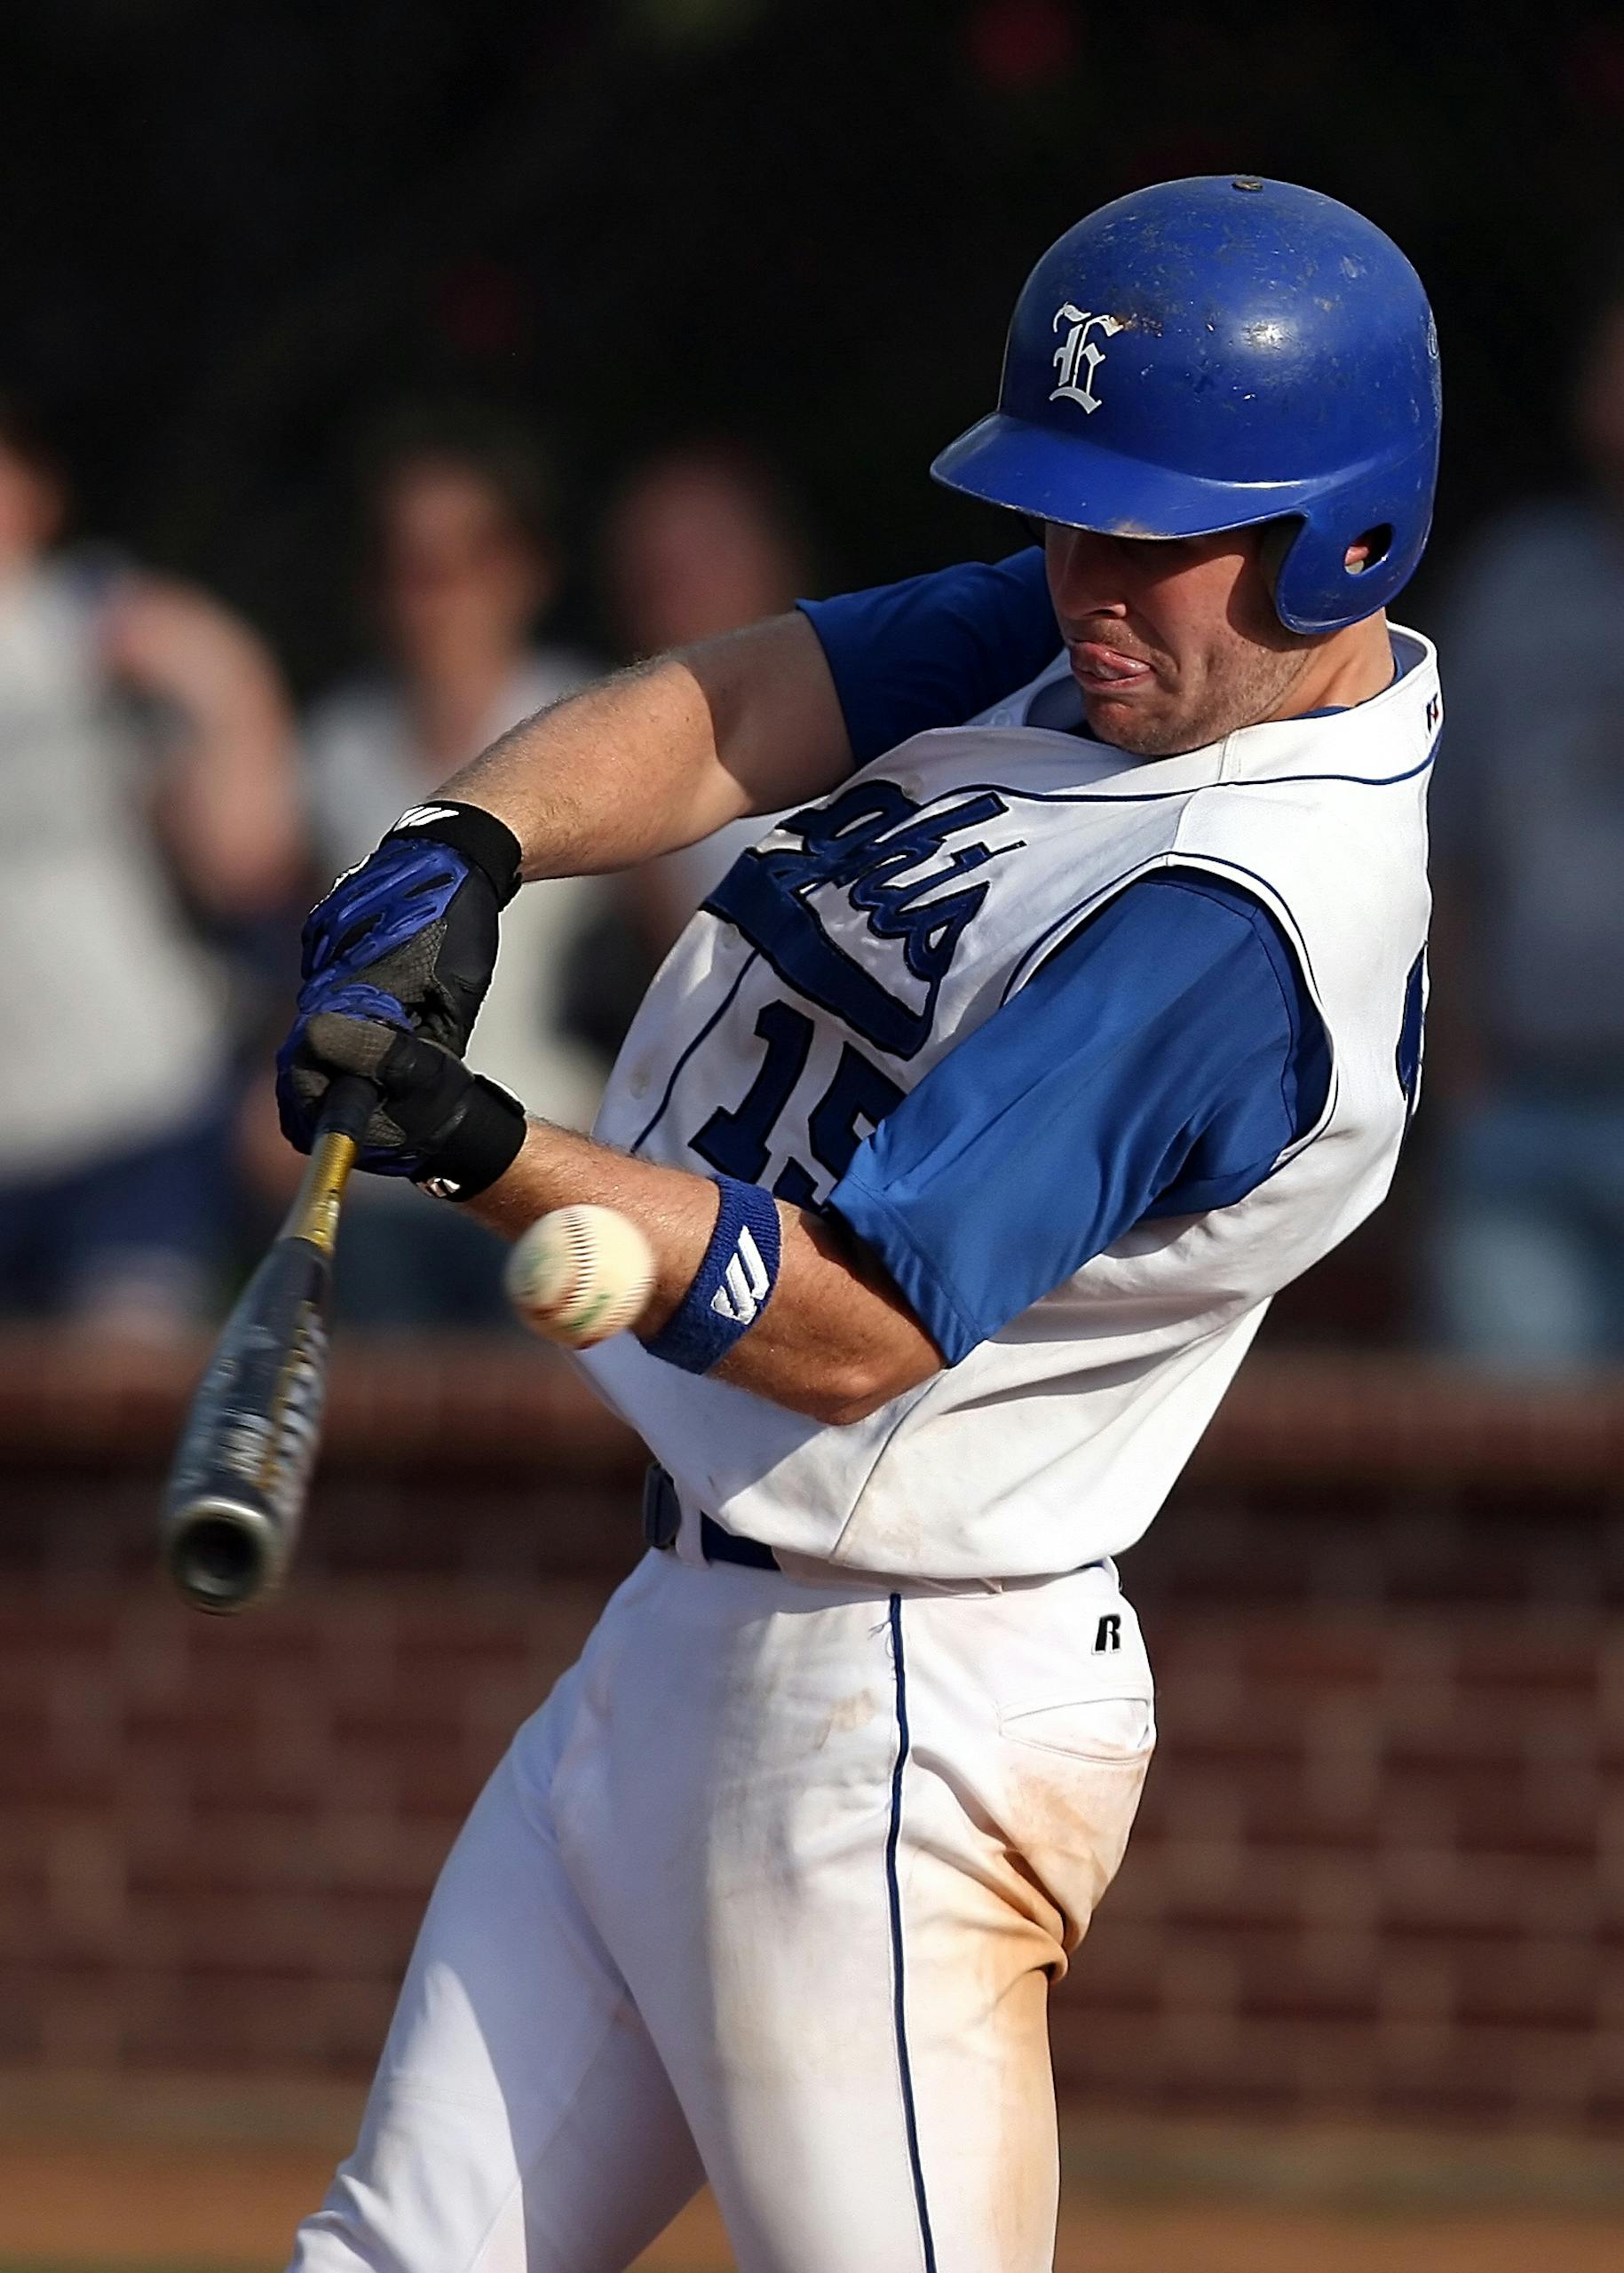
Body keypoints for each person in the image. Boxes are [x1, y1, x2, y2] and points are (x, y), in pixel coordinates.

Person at [274, 177, 1442, 2271]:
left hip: (890, 1715)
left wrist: (477, 1143)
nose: (1083, 575)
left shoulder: (1236, 920)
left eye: (1147, 531)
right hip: (684, 1649)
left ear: (1341, 533)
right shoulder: (1135, 650)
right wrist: (472, 837)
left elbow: (860, 1314)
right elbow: (763, 692)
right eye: (1069, 518)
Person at [301, 411, 610, 1326]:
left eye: (461, 561)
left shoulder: (598, 728)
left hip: (553, 1155)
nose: (433, 594)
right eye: (408, 565)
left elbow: (683, 938)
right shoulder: (334, 749)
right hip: (382, 1178)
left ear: (525, 570)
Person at [0, 398, 301, 1334]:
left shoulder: (95, 620)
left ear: (38, 493)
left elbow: (250, 849)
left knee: (122, 1419)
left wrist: (213, 684)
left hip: (128, 1106)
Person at [1423, 278, 1624, 1362]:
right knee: (1515, 1496)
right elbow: (1443, 850)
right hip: (1523, 1112)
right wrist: (1460, 1078)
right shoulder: (1514, 583)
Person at [603, 443, 815, 948]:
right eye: (655, 573)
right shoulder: (621, 775)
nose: (682, 592)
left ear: (775, 557)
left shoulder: (887, 728)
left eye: (709, 557)